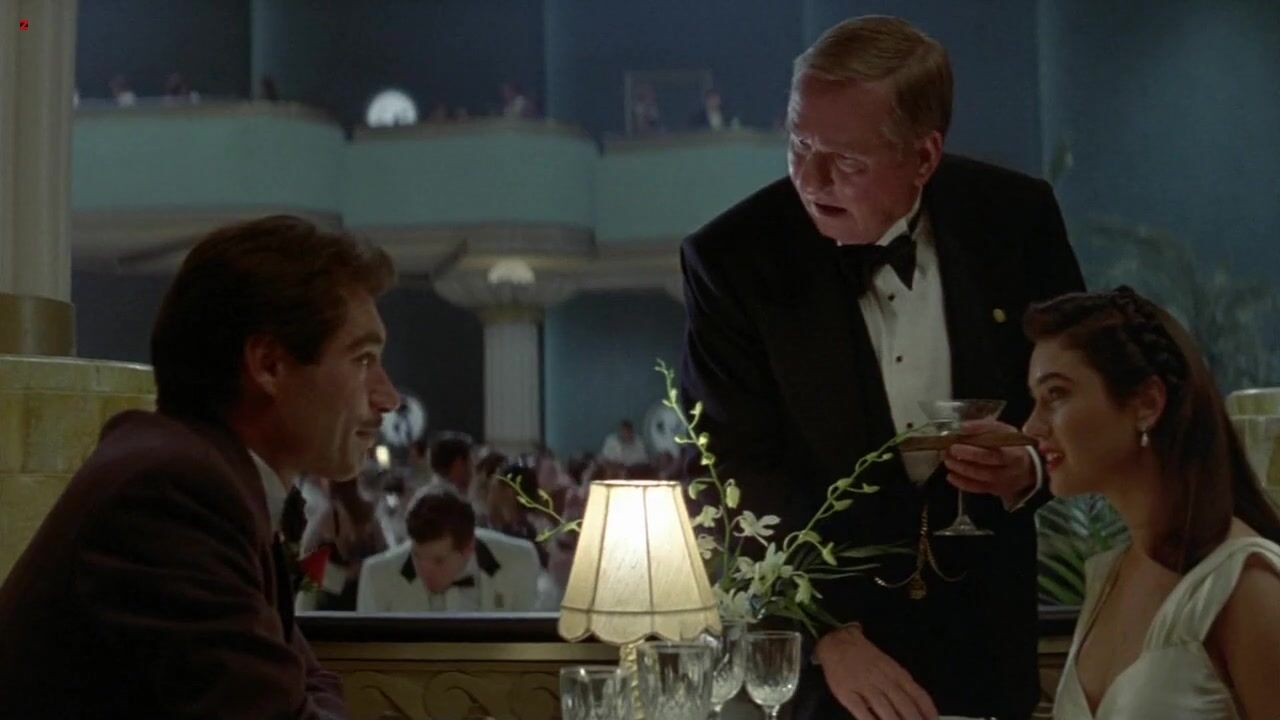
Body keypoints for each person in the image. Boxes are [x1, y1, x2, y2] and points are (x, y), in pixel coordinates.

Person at [679, 15, 1085, 720]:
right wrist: (823, 635)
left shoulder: (1015, 219)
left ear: (924, 157)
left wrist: (1031, 466)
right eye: (798, 143)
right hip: (828, 670)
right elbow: (727, 476)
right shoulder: (733, 259)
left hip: (986, 645)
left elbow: (1078, 394)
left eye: (846, 161)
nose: (809, 179)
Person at [0, 215, 400, 717]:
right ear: (269, 365)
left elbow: (308, 679)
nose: (388, 397)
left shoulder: (195, 472)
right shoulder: (175, 493)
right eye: (363, 359)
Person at [1020, 288, 1280, 720]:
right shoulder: (1109, 577)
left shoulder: (1245, 584)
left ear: (1147, 404)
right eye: (1036, 400)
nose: (1032, 427)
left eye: (1056, 395)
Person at [357, 487, 542, 613]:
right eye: (417, 557)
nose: (425, 571)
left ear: (468, 548)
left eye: (438, 561)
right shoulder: (378, 576)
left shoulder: (518, 561)